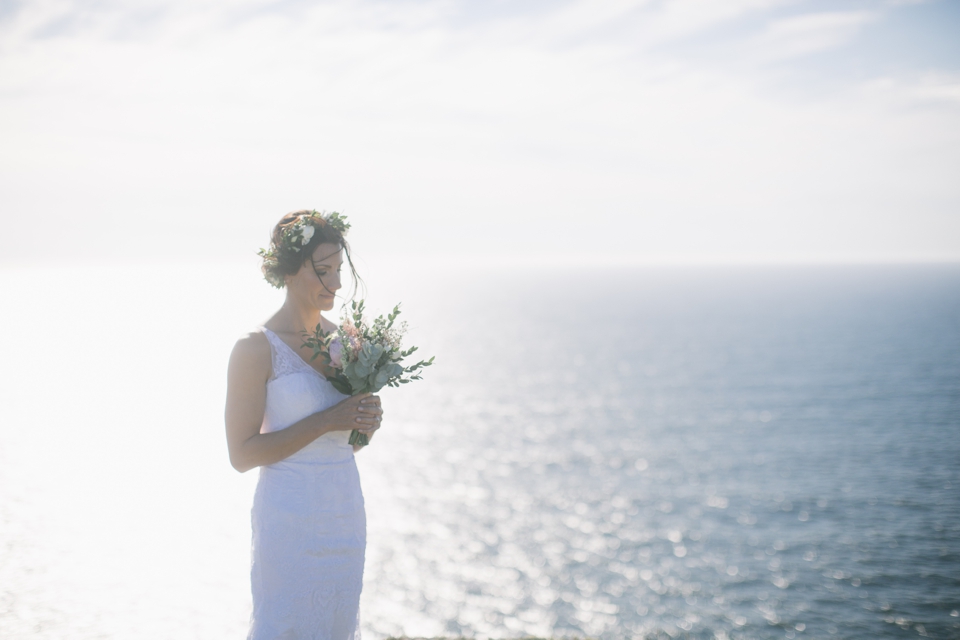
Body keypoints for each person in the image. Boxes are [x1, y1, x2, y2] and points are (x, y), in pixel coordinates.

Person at [225, 210, 382, 640]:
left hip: (344, 516)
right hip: (289, 519)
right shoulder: (255, 349)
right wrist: (327, 419)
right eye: (323, 271)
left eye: (338, 271)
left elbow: (347, 443)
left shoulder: (347, 344)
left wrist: (365, 424)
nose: (335, 283)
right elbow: (242, 455)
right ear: (291, 271)